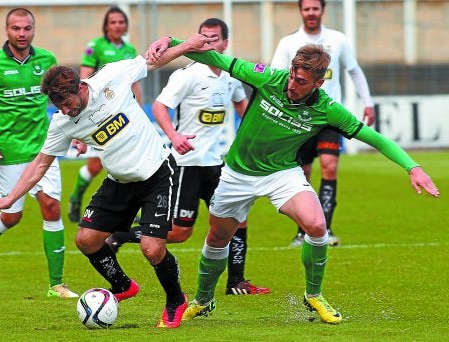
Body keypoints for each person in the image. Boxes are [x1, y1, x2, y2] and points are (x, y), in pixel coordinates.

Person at [146, 35, 439, 324]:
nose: (292, 85)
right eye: (292, 77)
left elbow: (373, 137)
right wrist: (173, 42)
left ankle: (314, 295)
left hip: (281, 174)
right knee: (218, 237)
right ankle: (203, 299)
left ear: (318, 83)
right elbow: (214, 58)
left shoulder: (327, 108)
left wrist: (412, 167)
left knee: (316, 224)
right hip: (237, 173)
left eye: (301, 82)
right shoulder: (269, 79)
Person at [0, 38, 217, 328]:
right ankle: (122, 286)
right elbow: (40, 164)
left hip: (156, 173)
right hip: (118, 181)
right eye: (58, 106)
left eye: (66, 104)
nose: (65, 111)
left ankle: (175, 300)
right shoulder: (62, 122)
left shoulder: (112, 76)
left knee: (152, 249)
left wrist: (186, 44)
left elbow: (152, 60)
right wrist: (9, 198)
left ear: (80, 87)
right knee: (87, 240)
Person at [106, 18, 270, 296]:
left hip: (217, 164)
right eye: (203, 37)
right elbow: (159, 106)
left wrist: (254, 137)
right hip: (187, 164)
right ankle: (121, 235)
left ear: (225, 43)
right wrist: (174, 136)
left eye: (214, 38)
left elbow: (243, 107)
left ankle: (236, 282)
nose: (208, 43)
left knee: (238, 219)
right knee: (181, 233)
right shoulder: (187, 75)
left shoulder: (231, 76)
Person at [0, 8, 78, 299]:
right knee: (10, 217)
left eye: (27, 28)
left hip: (43, 149)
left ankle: (56, 284)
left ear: (34, 30)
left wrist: (73, 127)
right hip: (8, 151)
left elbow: (61, 100)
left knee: (51, 208)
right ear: (6, 30)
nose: (21, 33)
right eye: (16, 28)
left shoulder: (47, 61)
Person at [270, 0, 376, 247]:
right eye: (306, 8)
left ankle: (325, 229)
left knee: (329, 167)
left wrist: (368, 102)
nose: (311, 13)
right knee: (302, 173)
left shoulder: (338, 39)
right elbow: (274, 77)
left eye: (315, 8)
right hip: (299, 118)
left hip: (328, 118)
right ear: (300, 11)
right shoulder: (288, 43)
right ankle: (302, 231)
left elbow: (355, 70)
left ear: (322, 10)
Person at [68, 5, 143, 223]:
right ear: (106, 26)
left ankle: (129, 209)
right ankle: (75, 198)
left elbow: (134, 82)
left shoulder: (129, 49)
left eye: (121, 22)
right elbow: (84, 78)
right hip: (100, 113)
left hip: (124, 113)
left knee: (127, 161)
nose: (118, 25)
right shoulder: (95, 47)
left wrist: (139, 107)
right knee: (94, 166)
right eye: (113, 22)